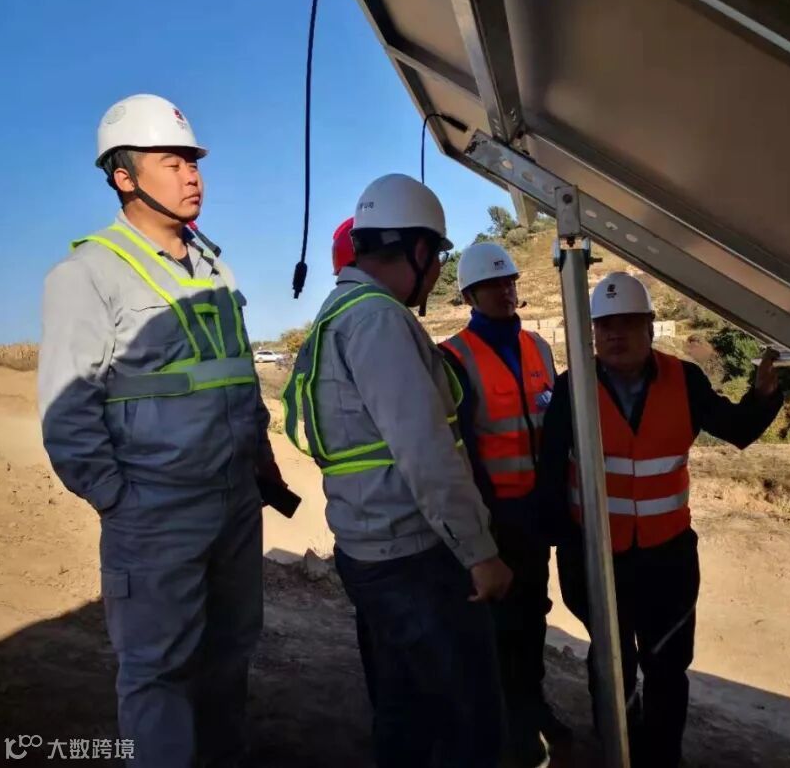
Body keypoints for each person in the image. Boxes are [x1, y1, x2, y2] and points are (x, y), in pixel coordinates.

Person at [38, 94, 280, 767]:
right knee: (157, 671)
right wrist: (119, 500)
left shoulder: (215, 268)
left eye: (193, 163)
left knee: (231, 651)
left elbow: (236, 376)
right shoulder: (85, 276)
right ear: (124, 176)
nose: (192, 175)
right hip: (155, 511)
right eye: (172, 163)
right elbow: (67, 412)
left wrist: (259, 460)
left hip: (234, 502)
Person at [281, 173, 513, 768]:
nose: (436, 274)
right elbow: (426, 452)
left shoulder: (339, 312)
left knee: (405, 713)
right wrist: (479, 553)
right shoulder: (378, 319)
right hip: (413, 559)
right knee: (469, 728)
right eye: (436, 258)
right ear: (416, 249)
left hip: (372, 549)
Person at [538, 271, 783, 767]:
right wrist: (568, 549)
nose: (615, 334)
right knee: (612, 664)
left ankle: (663, 757)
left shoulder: (684, 379)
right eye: (605, 325)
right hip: (598, 560)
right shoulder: (572, 387)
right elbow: (550, 474)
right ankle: (619, 749)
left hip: (667, 560)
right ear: (592, 332)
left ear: (650, 326)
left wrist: (762, 396)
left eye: (628, 322)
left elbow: (736, 428)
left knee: (667, 666)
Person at [439, 242, 569, 765]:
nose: (504, 291)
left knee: (533, 614)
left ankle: (532, 707)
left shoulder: (539, 347)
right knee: (497, 622)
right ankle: (505, 721)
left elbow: (553, 428)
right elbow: (461, 447)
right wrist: (482, 520)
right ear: (469, 295)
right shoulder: (454, 356)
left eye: (509, 282)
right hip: (493, 514)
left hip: (536, 511)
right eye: (491, 285)